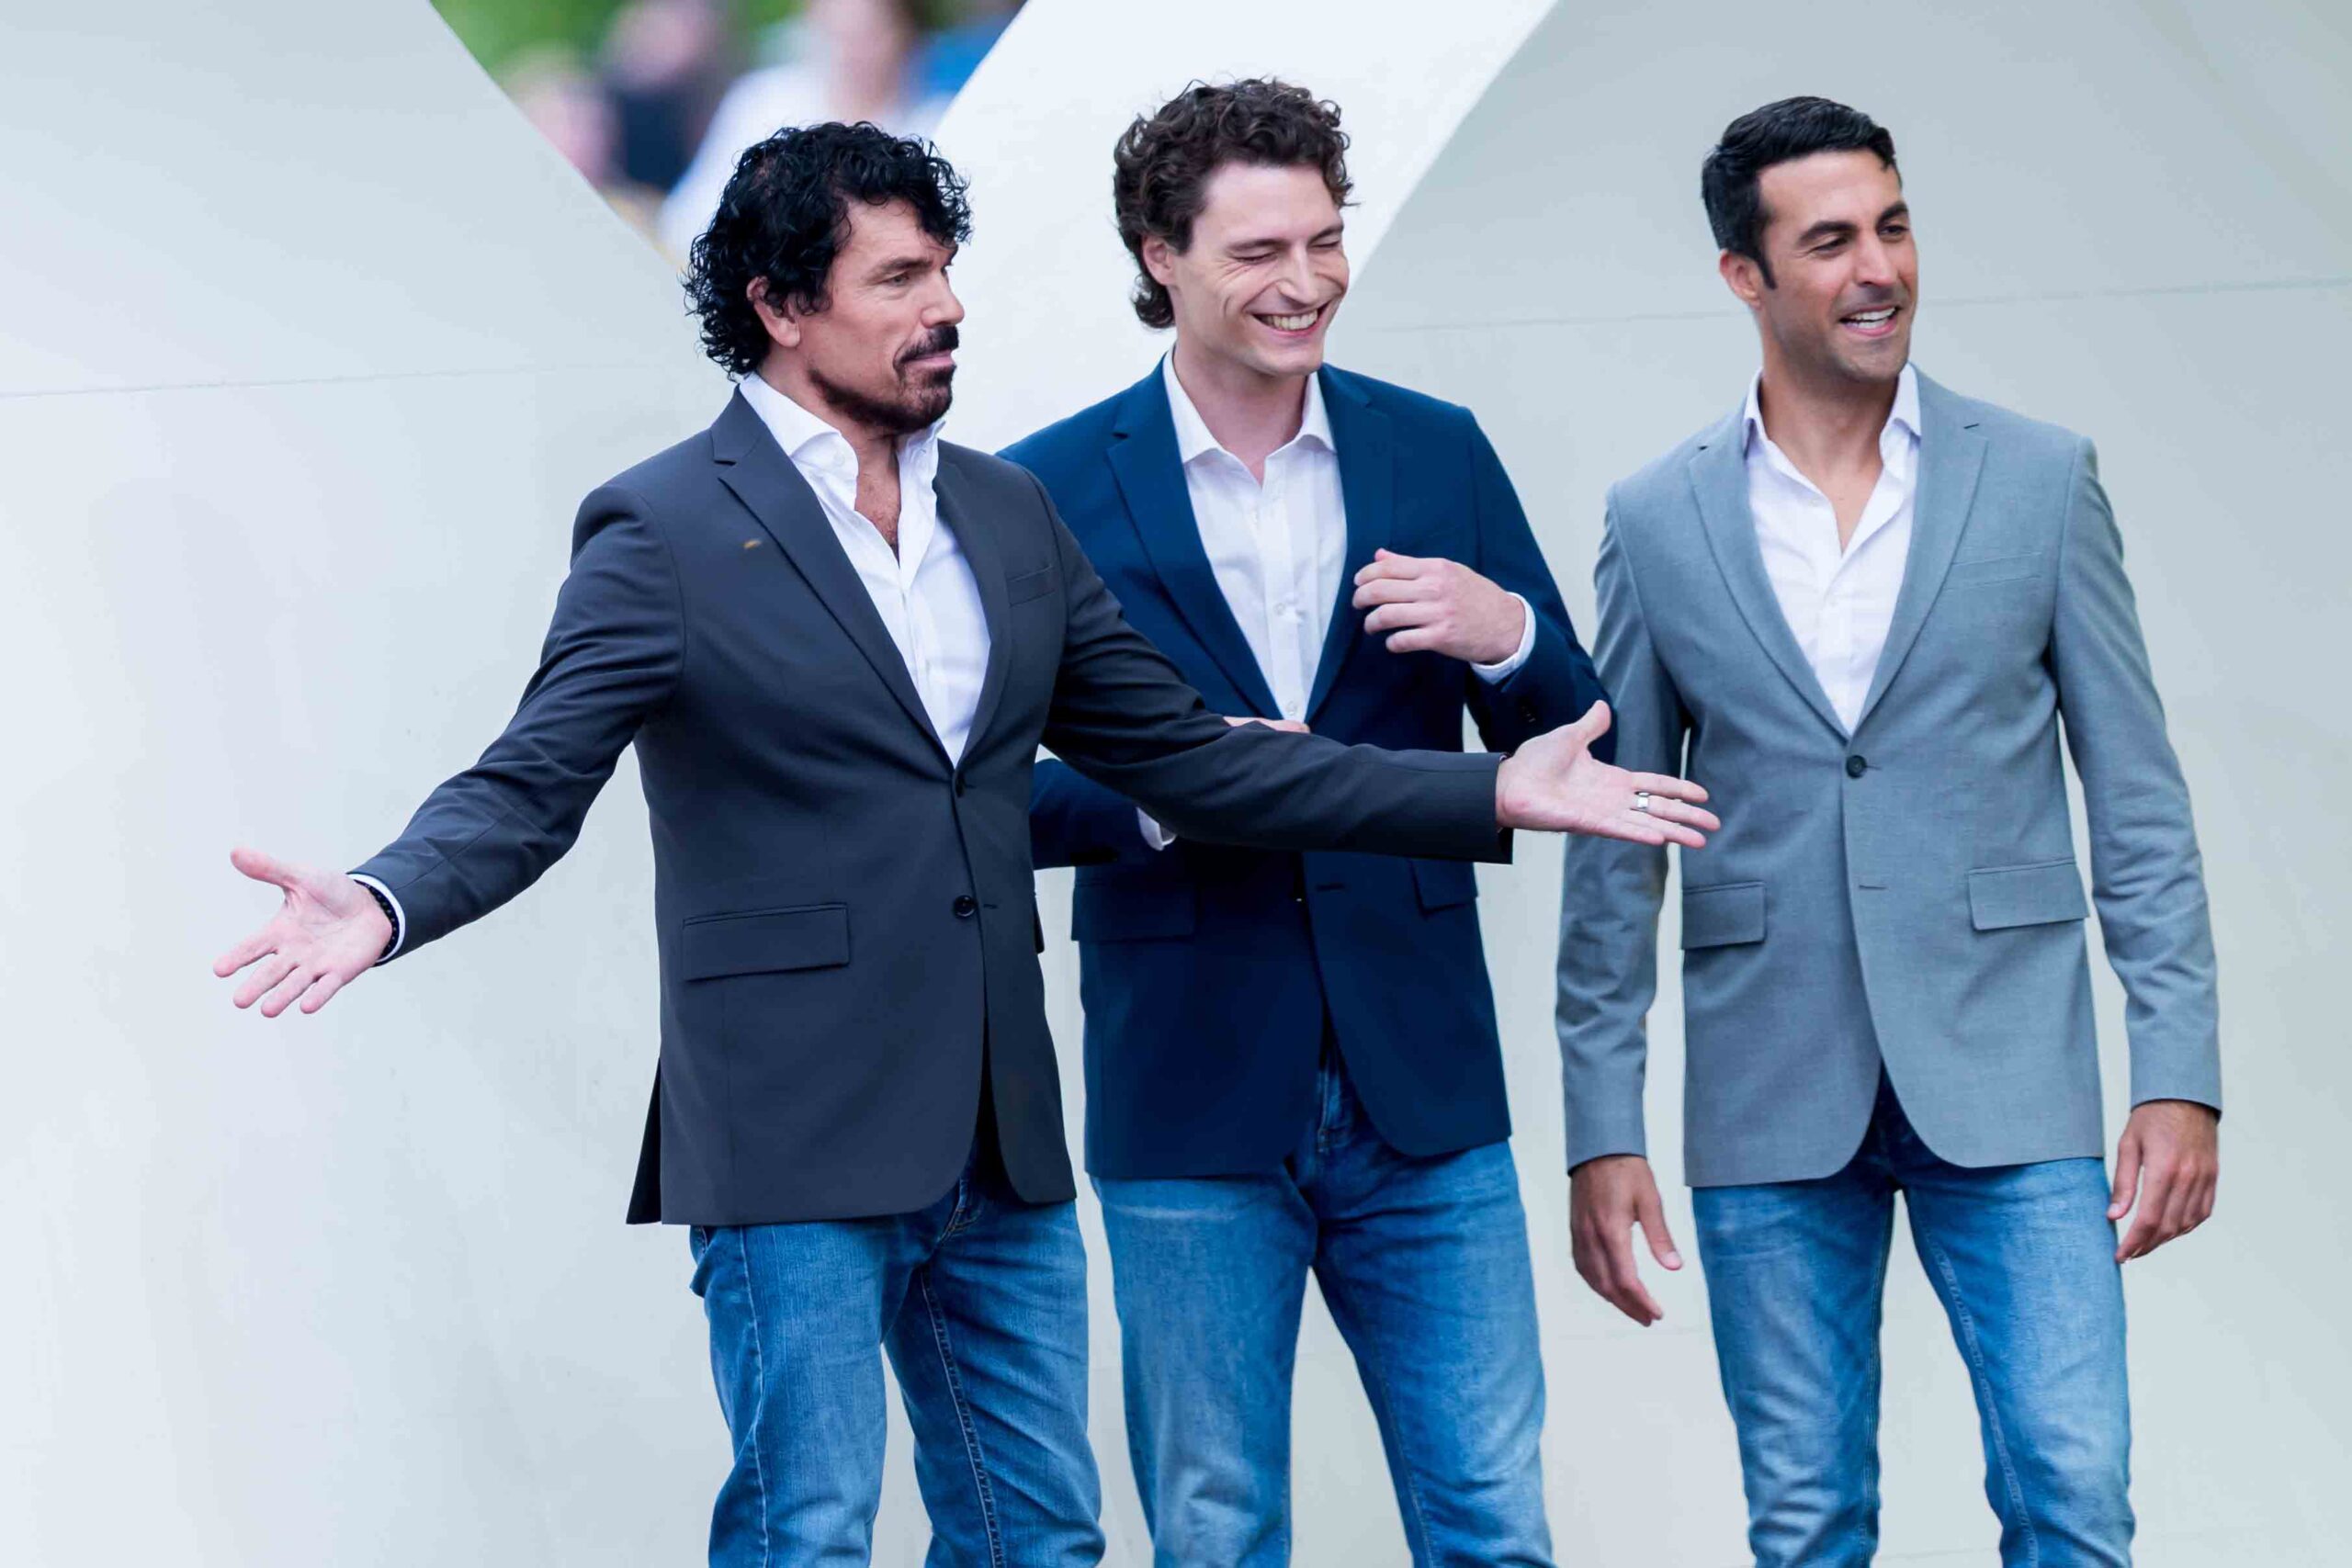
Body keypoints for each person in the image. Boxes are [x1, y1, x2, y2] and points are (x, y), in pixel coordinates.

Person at [213, 122, 1715, 1567]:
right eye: (898, 280)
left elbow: (1198, 761)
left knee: (1040, 1537)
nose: (945, 308)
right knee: (807, 1535)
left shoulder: (1002, 512)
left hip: (1001, 1128)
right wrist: (387, 897)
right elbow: (532, 779)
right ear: (781, 307)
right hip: (791, 1127)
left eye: (944, 270)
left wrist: (1488, 794)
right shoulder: (663, 527)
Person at [1555, 96, 2222, 1567]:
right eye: (1832, 241)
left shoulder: (2039, 478)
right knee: (1805, 1526)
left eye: (1895, 227)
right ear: (1744, 275)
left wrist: (2179, 1072)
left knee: (2072, 1497)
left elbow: (2137, 797)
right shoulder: (1657, 517)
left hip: (2011, 1069)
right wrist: (1602, 1126)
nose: (1880, 269)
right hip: (1768, 1084)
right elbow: (1616, 844)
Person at [1005, 79, 1592, 1566]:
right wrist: (1164, 795)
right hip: (1187, 1082)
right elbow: (980, 798)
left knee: (1493, 1521)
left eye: (1326, 241)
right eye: (1261, 251)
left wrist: (1509, 634)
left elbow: (1584, 744)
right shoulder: (1044, 490)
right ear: (1162, 257)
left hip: (1425, 1079)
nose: (1308, 281)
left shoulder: (1435, 451)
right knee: (1216, 1528)